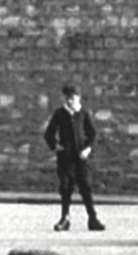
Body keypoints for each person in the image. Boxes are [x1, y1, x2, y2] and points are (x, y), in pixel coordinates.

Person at [42, 84, 104, 232]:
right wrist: (56, 146)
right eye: (67, 98)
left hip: (81, 157)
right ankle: (65, 219)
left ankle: (92, 218)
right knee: (65, 187)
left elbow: (93, 134)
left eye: (73, 98)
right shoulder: (60, 114)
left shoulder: (83, 113)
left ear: (78, 98)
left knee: (85, 186)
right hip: (65, 156)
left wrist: (88, 149)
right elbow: (49, 134)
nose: (70, 101)